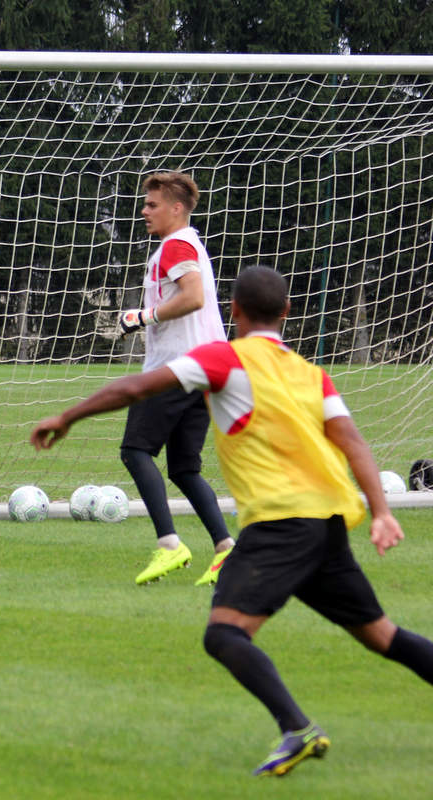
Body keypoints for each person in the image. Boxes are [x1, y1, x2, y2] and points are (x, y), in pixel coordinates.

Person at [32, 265, 433, 776]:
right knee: (382, 636)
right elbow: (353, 441)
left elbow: (138, 387)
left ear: (234, 312)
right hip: (328, 521)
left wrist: (67, 416)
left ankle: (297, 729)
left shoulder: (223, 358)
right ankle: (297, 728)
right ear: (287, 314)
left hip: (282, 525)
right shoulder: (311, 373)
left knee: (223, 635)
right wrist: (380, 511)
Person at [117, 170, 234, 586]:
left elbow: (194, 296)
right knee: (184, 469)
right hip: (206, 369)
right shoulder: (191, 245)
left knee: (135, 450)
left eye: (152, 204)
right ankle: (225, 549)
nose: (144, 211)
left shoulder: (175, 245)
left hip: (178, 367)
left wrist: (143, 316)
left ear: (176, 208)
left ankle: (169, 545)